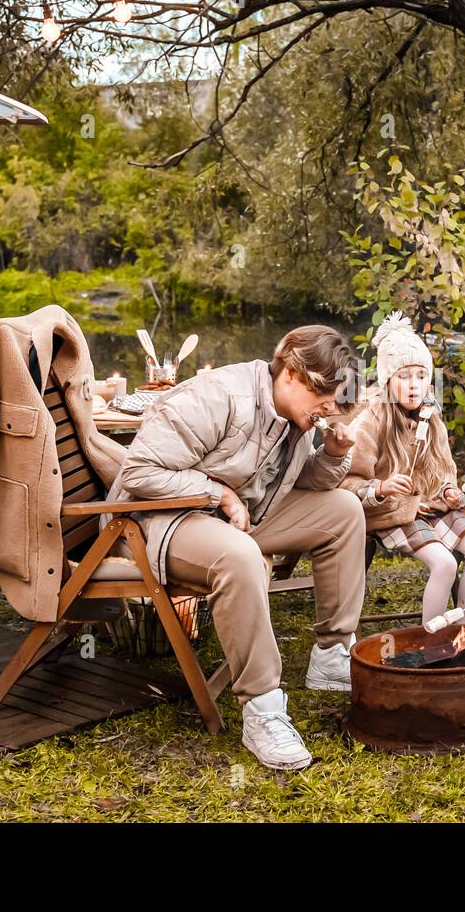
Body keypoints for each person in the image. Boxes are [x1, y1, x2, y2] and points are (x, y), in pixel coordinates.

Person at [104, 326, 366, 770]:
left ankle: (331, 655)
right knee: (241, 556)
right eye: (323, 396)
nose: (329, 410)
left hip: (240, 516)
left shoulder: (295, 417)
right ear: (292, 371)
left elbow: (303, 485)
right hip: (158, 521)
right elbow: (139, 472)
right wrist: (217, 493)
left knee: (344, 510)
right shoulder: (220, 395)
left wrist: (333, 456)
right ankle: (262, 710)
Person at [341, 312, 465, 621]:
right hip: (393, 512)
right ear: (388, 379)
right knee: (445, 564)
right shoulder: (371, 421)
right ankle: (432, 641)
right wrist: (380, 488)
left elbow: (444, 468)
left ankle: (464, 630)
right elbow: (346, 481)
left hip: (431, 505)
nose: (414, 386)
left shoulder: (430, 416)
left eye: (421, 376)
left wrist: (450, 490)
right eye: (404, 377)